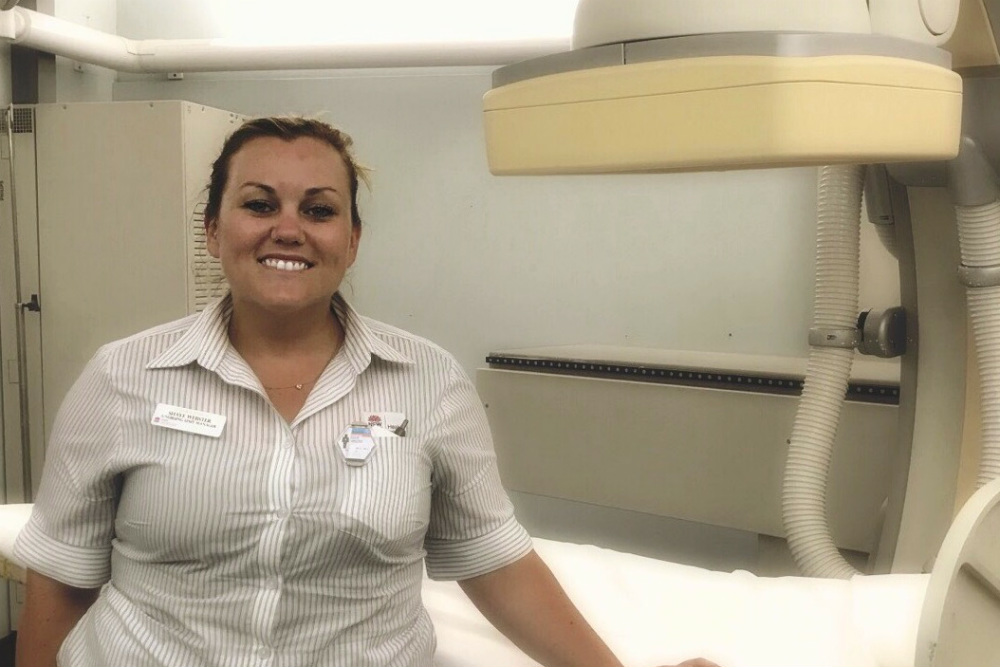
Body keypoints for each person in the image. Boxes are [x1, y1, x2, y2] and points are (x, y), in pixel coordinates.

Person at [13, 116, 720, 667]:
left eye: (318, 210)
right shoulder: (124, 376)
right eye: (259, 204)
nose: (287, 227)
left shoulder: (427, 380)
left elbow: (493, 559)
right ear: (213, 230)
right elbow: (61, 575)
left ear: (352, 240)